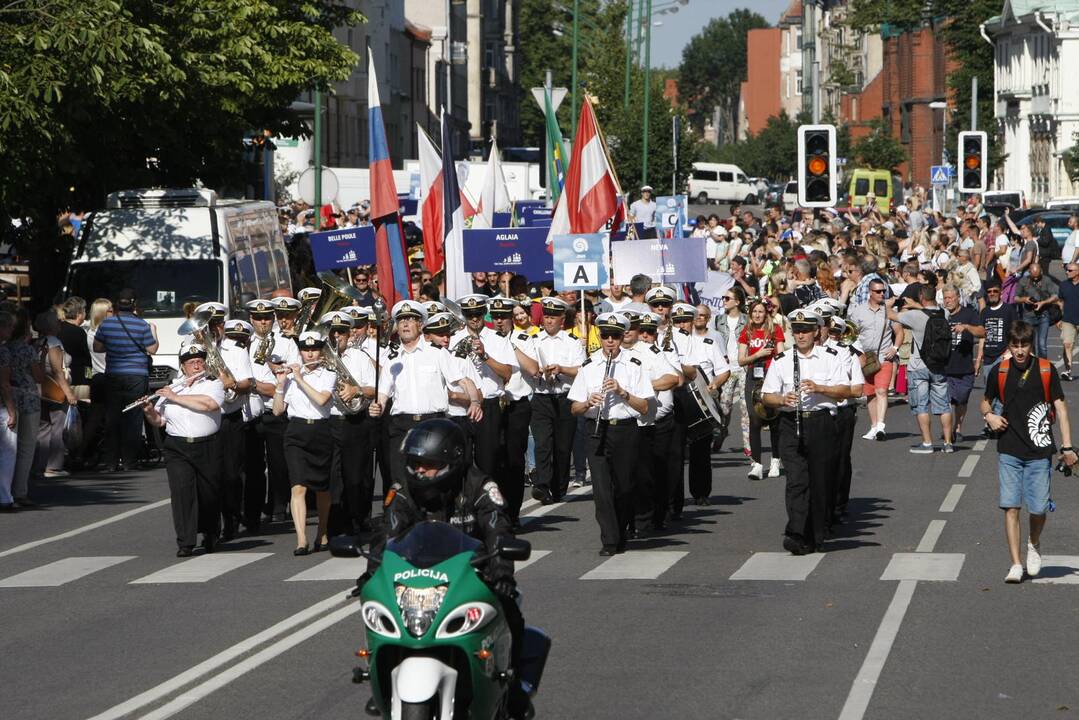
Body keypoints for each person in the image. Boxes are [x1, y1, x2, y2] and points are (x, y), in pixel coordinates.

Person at [353, 418, 530, 719]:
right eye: (415, 462)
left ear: (453, 461)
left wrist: (501, 576)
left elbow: (497, 532)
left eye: (428, 463)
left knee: (511, 612)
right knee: (377, 615)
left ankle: (511, 687)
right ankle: (382, 681)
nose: (419, 470)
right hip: (415, 579)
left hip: (472, 576)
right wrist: (372, 573)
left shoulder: (480, 488)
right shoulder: (404, 490)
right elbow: (387, 534)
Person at [981, 322, 1076, 583]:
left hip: (1040, 451)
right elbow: (985, 400)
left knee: (1038, 508)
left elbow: (1062, 408)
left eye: (1024, 345)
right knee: (1010, 507)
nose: (1020, 351)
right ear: (1009, 346)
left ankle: (1033, 542)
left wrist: (1067, 446)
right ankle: (1015, 563)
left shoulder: (1045, 370)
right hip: (1009, 449)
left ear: (1031, 345)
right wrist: (989, 416)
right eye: (1015, 346)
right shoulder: (1000, 370)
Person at [761, 308, 850, 555]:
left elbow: (845, 391)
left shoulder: (830, 357)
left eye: (805, 331)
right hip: (791, 422)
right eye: (796, 331)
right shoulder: (782, 360)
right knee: (796, 481)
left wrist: (820, 388)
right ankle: (796, 533)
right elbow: (766, 396)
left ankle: (816, 533)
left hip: (821, 422)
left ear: (815, 332)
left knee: (820, 481)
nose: (800, 336)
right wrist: (781, 399)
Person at [369, 300, 482, 489]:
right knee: (401, 482)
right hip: (401, 427)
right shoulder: (391, 358)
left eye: (410, 319)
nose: (405, 324)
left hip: (433, 425)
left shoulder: (437, 353)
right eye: (401, 320)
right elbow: (382, 396)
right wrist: (376, 408)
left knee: (435, 482)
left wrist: (475, 401)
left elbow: (464, 381)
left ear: (420, 325)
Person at [568, 313, 654, 554]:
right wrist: (587, 403)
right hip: (596, 428)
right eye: (605, 336)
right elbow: (574, 408)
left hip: (625, 430)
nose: (609, 341)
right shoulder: (589, 365)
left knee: (625, 487)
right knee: (602, 489)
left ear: (621, 338)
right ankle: (610, 540)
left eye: (615, 336)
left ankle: (622, 528)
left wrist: (622, 392)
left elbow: (645, 407)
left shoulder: (634, 364)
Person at [141, 342, 225, 556]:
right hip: (177, 447)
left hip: (207, 445)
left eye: (199, 361)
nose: (197, 366)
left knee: (209, 494)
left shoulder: (213, 383)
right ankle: (185, 542)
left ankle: (211, 532)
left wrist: (175, 398)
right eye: (191, 362)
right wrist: (149, 411)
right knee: (182, 493)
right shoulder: (173, 386)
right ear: (183, 366)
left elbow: (209, 405)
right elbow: (159, 421)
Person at [272, 330, 337, 555]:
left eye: (314, 349)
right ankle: (301, 539)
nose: (310, 354)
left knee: (322, 488)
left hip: (321, 431)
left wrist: (299, 378)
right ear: (300, 352)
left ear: (320, 350)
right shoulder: (289, 378)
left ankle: (322, 531)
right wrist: (281, 384)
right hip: (296, 432)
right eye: (306, 350)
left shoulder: (329, 374)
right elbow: (278, 410)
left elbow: (321, 399)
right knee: (298, 486)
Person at [321, 311, 376, 536]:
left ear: (349, 333)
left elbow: (375, 389)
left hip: (355, 422)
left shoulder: (360, 358)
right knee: (333, 477)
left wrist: (356, 389)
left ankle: (358, 517)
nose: (337, 335)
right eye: (332, 331)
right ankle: (336, 523)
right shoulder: (319, 359)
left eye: (341, 331)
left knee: (355, 477)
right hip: (330, 421)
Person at [450, 294, 518, 474]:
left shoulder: (498, 339)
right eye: (470, 314)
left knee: (487, 461)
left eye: (478, 314)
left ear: (484, 313)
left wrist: (485, 356)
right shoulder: (454, 339)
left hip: (489, 406)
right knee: (460, 461)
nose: (474, 318)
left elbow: (507, 374)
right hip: (462, 407)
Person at [246, 298, 299, 525]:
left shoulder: (285, 343)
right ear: (251, 319)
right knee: (253, 465)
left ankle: (278, 505)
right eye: (258, 318)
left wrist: (260, 384)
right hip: (251, 411)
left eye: (268, 317)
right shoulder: (244, 343)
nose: (263, 322)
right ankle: (253, 511)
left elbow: (293, 374)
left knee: (279, 463)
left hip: (276, 410)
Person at [527, 297, 585, 505]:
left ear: (562, 320)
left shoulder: (572, 342)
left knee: (562, 447)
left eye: (553, 317)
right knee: (542, 444)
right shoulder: (534, 341)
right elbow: (529, 366)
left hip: (564, 398)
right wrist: (537, 372)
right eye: (547, 317)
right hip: (541, 398)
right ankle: (542, 485)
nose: (549, 321)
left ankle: (558, 487)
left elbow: (581, 370)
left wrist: (561, 369)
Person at [94, 288, 159, 471]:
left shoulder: (106, 325)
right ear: (134, 304)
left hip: (113, 374)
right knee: (133, 418)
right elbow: (152, 350)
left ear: (116, 304)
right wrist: (154, 332)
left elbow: (97, 348)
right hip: (137, 375)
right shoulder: (142, 325)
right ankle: (130, 461)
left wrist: (115, 347)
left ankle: (111, 462)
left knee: (112, 417)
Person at [490, 297, 540, 527]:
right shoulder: (486, 340)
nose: (499, 321)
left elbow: (533, 369)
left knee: (514, 461)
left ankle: (513, 512)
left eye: (503, 316)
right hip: (492, 405)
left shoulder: (522, 338)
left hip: (516, 405)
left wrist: (509, 346)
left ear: (511, 317)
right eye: (495, 317)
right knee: (492, 459)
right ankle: (495, 510)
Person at [890, 284, 954, 453]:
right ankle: (948, 443)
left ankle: (927, 443)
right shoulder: (945, 313)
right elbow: (931, 310)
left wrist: (890, 302)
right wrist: (917, 304)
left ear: (921, 298)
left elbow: (891, 315)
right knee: (944, 406)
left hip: (918, 366)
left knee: (921, 406)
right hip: (939, 365)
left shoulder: (914, 316)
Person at [849, 277, 903, 440]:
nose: (881, 294)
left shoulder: (888, 311)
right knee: (870, 393)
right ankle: (873, 427)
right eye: (878, 291)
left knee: (881, 390)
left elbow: (899, 332)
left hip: (884, 357)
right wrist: (858, 354)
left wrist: (894, 348)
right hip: (865, 358)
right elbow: (851, 336)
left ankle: (881, 426)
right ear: (870, 293)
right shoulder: (858, 311)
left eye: (883, 291)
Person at [738, 298, 786, 480]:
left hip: (771, 376)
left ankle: (775, 460)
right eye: (754, 312)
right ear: (750, 314)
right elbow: (741, 359)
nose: (757, 315)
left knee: (774, 420)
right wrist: (757, 354)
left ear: (766, 313)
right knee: (754, 419)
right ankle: (757, 464)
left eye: (760, 311)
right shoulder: (747, 332)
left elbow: (781, 355)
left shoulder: (775, 330)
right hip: (753, 377)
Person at [1, 308, 43, 506]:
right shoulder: (27, 350)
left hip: (10, 397)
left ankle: (7, 489)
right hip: (27, 396)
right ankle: (20, 491)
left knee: (10, 446)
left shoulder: (5, 348)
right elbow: (39, 376)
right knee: (25, 446)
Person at [941, 285, 985, 440]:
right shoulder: (941, 315)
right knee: (945, 401)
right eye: (945, 298)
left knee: (961, 400)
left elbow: (982, 332)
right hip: (945, 367)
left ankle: (957, 428)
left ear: (958, 298)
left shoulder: (969, 314)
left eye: (951, 298)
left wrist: (966, 327)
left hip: (964, 366)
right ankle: (948, 430)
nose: (948, 301)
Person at [714, 287, 749, 455]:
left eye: (727, 298)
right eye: (723, 298)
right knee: (725, 407)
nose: (724, 301)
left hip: (744, 368)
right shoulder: (719, 320)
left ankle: (749, 445)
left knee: (745, 408)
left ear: (738, 302)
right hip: (727, 369)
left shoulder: (747, 320)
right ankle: (722, 432)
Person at [1014, 260, 1057, 360]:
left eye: (1038, 276)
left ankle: (1043, 366)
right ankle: (1031, 366)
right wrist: (1025, 299)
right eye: (1034, 277)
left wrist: (1043, 303)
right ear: (1029, 272)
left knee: (1042, 345)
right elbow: (1016, 298)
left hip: (1043, 316)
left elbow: (1055, 296)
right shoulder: (1023, 281)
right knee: (1030, 343)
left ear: (1041, 271)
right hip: (1028, 316)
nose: (1036, 278)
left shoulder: (1046, 280)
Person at [0, 311, 18, 510]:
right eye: (9, 327)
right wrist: (12, 410)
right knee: (7, 451)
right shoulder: (3, 351)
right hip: (1, 407)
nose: (11, 331)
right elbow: (4, 384)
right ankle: (4, 496)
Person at [1058, 262, 1079, 380]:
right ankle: (1068, 371)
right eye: (1067, 270)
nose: (1067, 272)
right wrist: (1060, 318)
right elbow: (1061, 302)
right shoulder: (1063, 285)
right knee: (1067, 344)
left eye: (1070, 270)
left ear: (1077, 272)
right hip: (1068, 320)